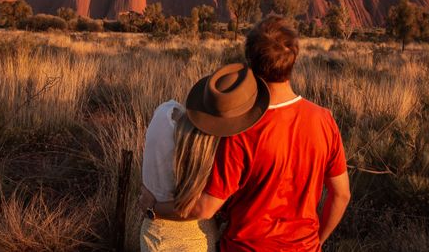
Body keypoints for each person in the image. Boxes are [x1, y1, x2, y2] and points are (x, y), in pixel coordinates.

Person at [149, 16, 350, 251]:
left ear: (250, 63)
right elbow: (341, 195)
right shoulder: (324, 120)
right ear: (293, 59)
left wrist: (155, 209)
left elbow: (206, 208)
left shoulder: (240, 130)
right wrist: (317, 241)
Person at [140, 63, 270, 251]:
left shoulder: (164, 113)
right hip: (196, 237)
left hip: (153, 232)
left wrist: (152, 208)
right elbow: (204, 208)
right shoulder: (221, 151)